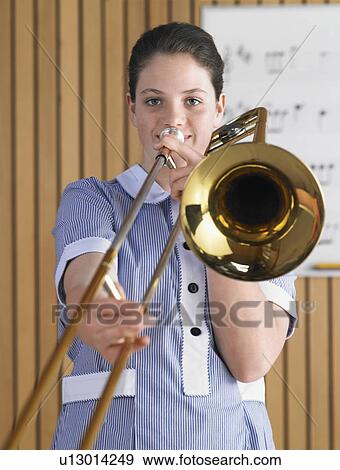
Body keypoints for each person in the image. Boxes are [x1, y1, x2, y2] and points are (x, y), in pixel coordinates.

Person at [51, 22, 297, 450]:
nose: (173, 121)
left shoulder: (264, 214)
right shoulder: (93, 198)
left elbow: (250, 360)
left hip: (229, 446)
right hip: (113, 443)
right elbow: (84, 283)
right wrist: (102, 311)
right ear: (132, 109)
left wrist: (210, 214)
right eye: (153, 101)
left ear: (219, 107)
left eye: (193, 102)